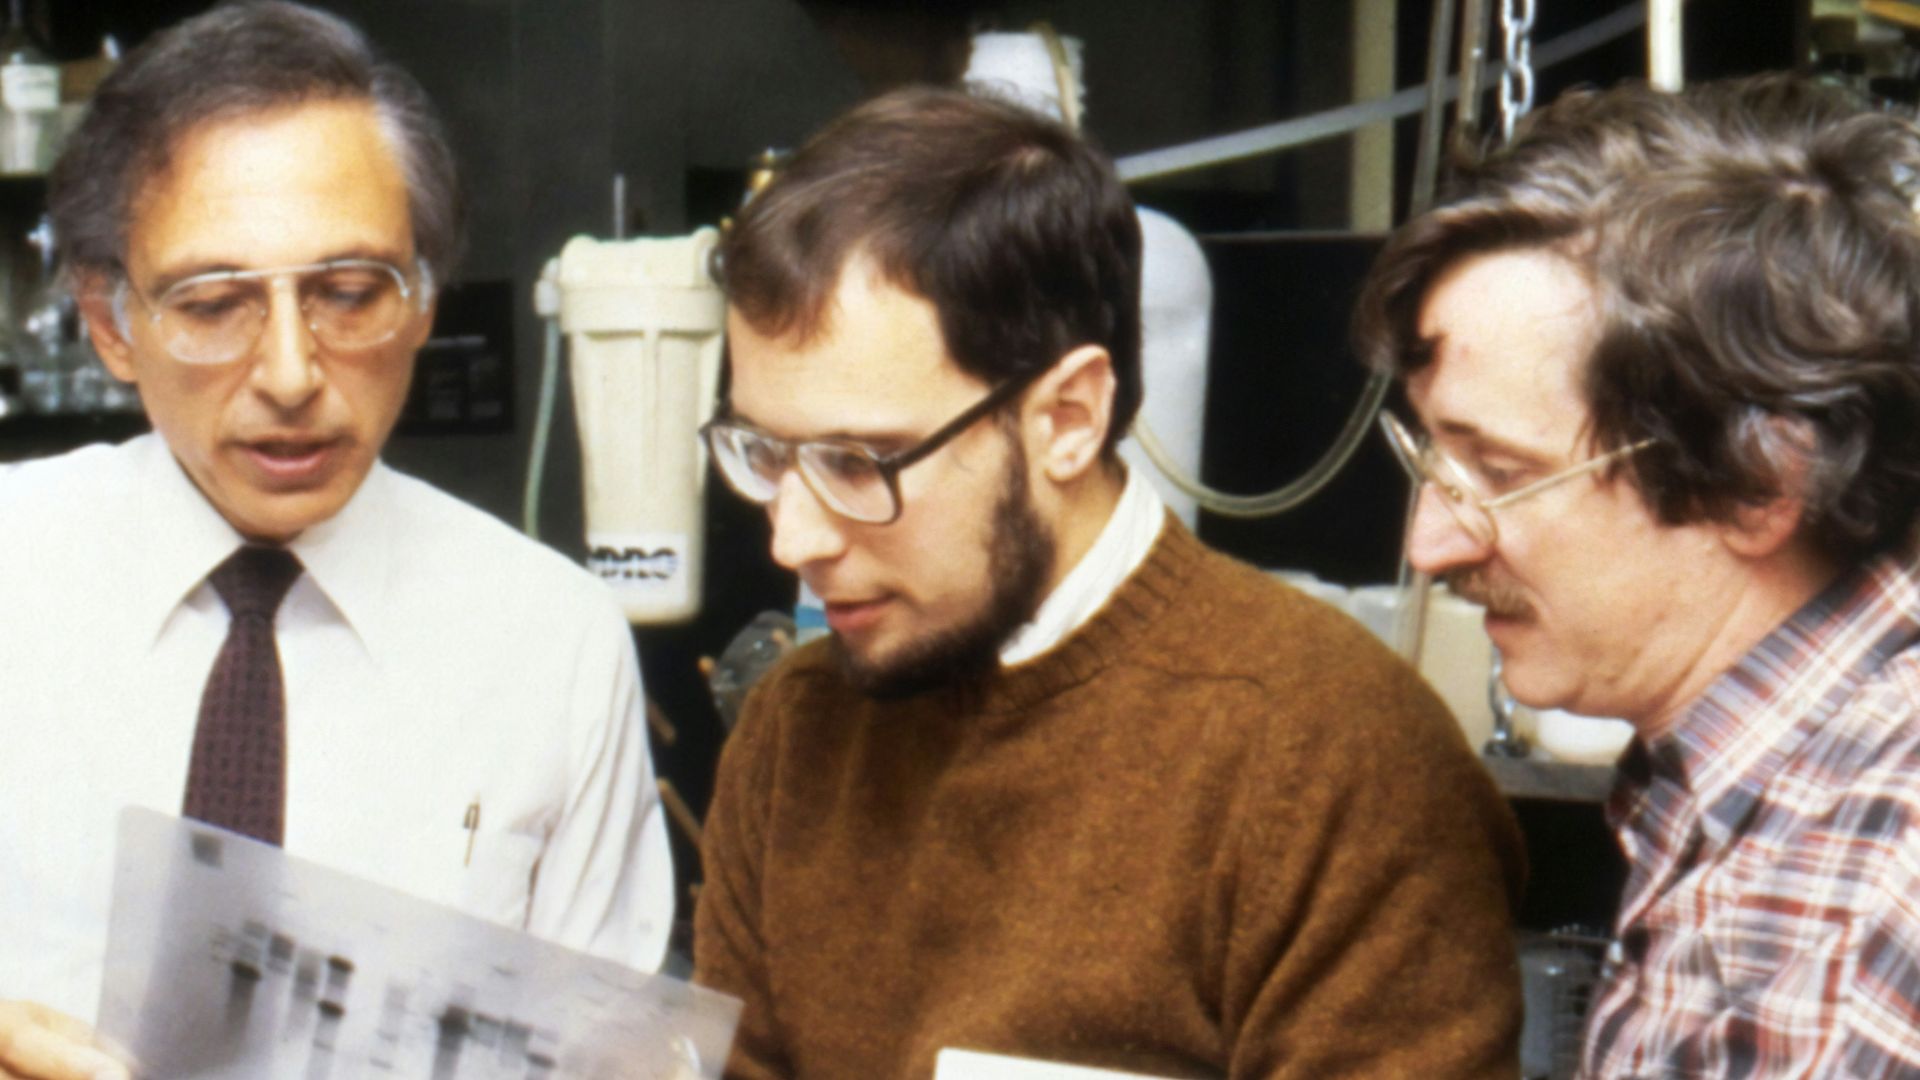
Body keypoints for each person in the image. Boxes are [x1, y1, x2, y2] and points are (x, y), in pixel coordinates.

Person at [693, 86, 1525, 1080]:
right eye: (764, 454)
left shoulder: (1330, 760)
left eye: (856, 463)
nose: (791, 537)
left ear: (1068, 418)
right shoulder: (794, 738)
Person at [0, 5, 673, 1078]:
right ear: (109, 324)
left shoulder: (551, 643)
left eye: (348, 294)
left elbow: (620, 1062)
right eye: (215, 304)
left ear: (420, 304)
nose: (290, 373)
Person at [1354, 74, 1920, 1075]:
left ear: (1755, 484)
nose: (1431, 543)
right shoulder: (1753, 778)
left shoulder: (1859, 895)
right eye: (1430, 459)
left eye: (1500, 472)